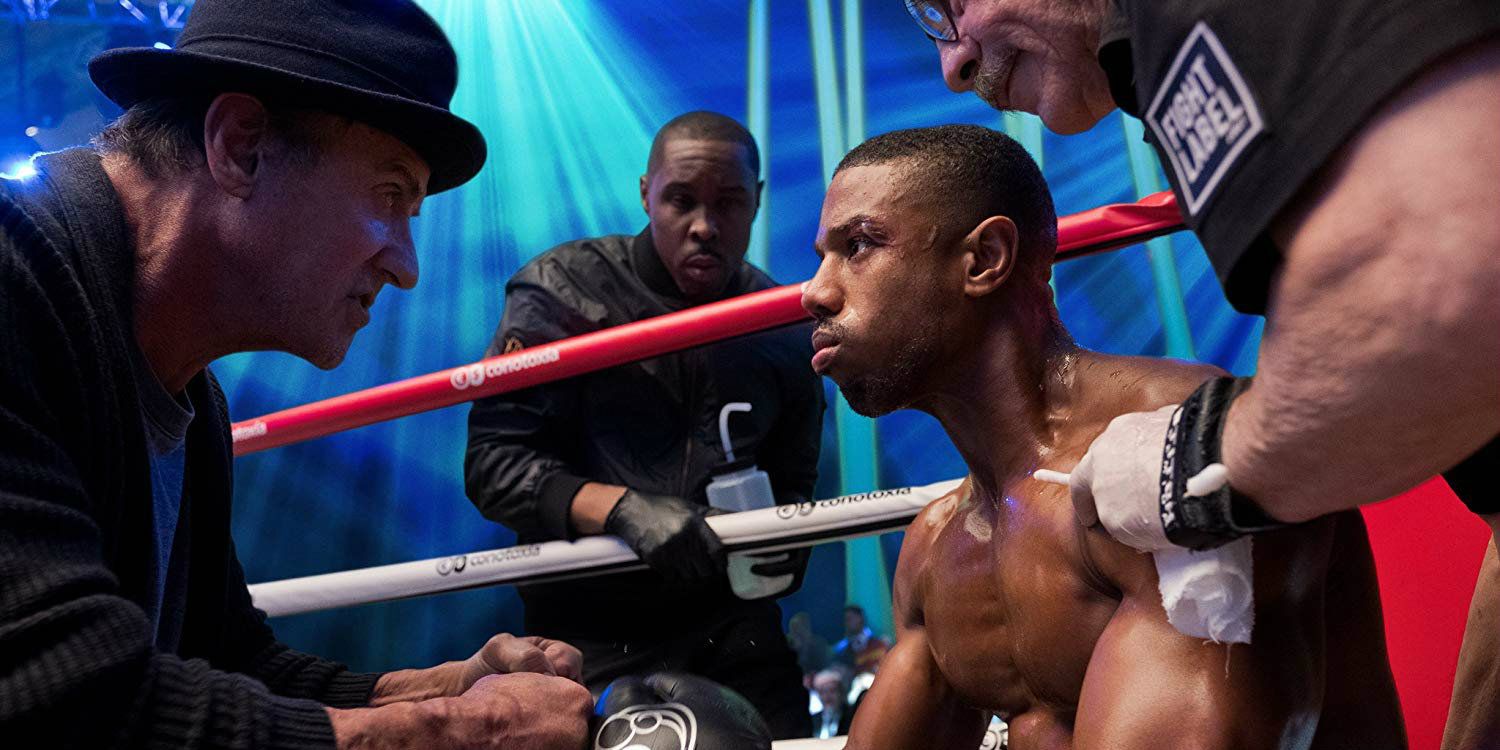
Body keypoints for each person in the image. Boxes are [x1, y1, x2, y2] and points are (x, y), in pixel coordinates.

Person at [0, 1, 595, 748]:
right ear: (241, 146)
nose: (406, 267)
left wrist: (441, 686)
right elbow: (57, 695)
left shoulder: (189, 392)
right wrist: (459, 730)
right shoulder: (13, 281)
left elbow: (224, 659)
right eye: (390, 196)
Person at [902, 4, 1499, 743]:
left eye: (953, 6)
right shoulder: (934, 546)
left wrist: (1216, 462)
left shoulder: (1179, 12)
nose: (953, 64)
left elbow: (1451, 284)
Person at [801, 124, 1403, 748]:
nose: (816, 292)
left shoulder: (1182, 458)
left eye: (860, 245)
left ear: (983, 260)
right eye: (821, 256)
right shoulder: (936, 550)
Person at [464, 111, 824, 739]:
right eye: (681, 201)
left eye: (729, 203)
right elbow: (492, 464)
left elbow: (795, 480)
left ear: (758, 201)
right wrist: (620, 507)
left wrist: (784, 539)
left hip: (733, 627)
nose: (705, 227)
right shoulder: (562, 291)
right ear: (646, 194)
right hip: (586, 634)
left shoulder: (784, 328)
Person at [831, 605, 890, 675]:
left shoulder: (880, 640)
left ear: (860, 618)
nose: (847, 624)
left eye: (849, 619)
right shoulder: (843, 650)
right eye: (845, 620)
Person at [786, 611, 834, 677]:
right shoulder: (789, 643)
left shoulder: (819, 643)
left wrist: (802, 649)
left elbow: (824, 667)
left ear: (806, 628)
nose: (793, 633)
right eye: (792, 629)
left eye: (796, 628)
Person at [810, 669, 853, 740]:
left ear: (841, 692)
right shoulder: (814, 719)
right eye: (823, 692)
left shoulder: (850, 717)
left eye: (832, 691)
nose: (828, 696)